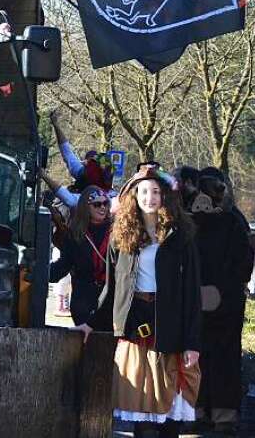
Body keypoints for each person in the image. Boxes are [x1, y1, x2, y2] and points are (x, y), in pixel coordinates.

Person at [79, 163, 201, 437]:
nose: (150, 197)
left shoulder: (182, 237)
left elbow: (192, 294)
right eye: (144, 191)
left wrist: (193, 343)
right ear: (134, 196)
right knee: (142, 419)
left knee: (170, 416)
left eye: (156, 191)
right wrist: (90, 323)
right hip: (135, 328)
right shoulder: (120, 238)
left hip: (170, 330)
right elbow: (111, 290)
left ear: (165, 196)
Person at [188, 167, 253, 433]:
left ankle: (200, 408)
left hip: (200, 300)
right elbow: (244, 265)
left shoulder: (190, 223)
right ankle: (222, 413)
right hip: (227, 301)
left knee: (200, 357)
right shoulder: (234, 221)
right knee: (224, 358)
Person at [49, 185, 111, 326]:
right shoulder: (74, 235)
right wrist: (38, 272)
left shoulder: (117, 232)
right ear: (86, 207)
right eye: (97, 204)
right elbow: (62, 267)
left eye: (105, 203)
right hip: (83, 303)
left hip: (109, 303)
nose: (103, 207)